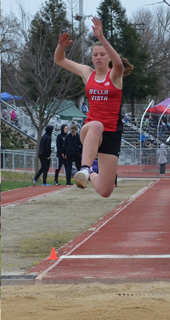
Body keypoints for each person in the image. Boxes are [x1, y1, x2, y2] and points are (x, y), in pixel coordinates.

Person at [54, 18, 133, 197]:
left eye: (102, 54)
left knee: (105, 191)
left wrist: (102, 37)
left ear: (109, 58)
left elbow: (119, 64)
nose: (98, 57)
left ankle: (89, 174)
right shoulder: (87, 73)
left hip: (112, 133)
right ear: (91, 57)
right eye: (95, 54)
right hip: (91, 131)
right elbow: (60, 60)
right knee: (97, 125)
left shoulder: (115, 76)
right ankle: (84, 169)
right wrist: (61, 46)